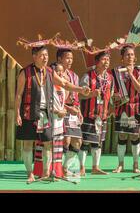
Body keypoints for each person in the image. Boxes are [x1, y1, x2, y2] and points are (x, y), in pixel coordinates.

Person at [15, 36, 90, 183]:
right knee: (28, 143)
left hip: (45, 113)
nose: (45, 58)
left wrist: (81, 89)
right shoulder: (25, 72)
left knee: (48, 143)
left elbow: (64, 83)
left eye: (47, 55)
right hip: (29, 112)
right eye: (42, 55)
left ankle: (45, 172)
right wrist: (17, 113)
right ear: (34, 56)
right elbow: (18, 94)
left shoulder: (50, 71)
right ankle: (30, 174)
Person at [79, 46, 116, 176]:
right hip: (89, 113)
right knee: (85, 141)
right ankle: (82, 167)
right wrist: (92, 94)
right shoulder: (87, 76)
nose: (106, 62)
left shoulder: (110, 78)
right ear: (97, 62)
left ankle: (95, 167)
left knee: (98, 142)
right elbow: (80, 94)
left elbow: (110, 95)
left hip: (102, 115)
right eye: (103, 59)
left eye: (108, 60)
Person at [50, 37, 84, 177]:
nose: (70, 60)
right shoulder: (56, 75)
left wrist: (79, 111)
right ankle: (57, 169)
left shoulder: (74, 76)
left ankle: (64, 167)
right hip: (62, 110)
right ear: (59, 59)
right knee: (65, 140)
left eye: (71, 58)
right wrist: (68, 109)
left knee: (77, 142)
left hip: (74, 111)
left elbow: (77, 96)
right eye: (67, 58)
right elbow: (56, 96)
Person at [112, 41, 140, 174]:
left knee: (134, 136)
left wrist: (131, 74)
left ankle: (135, 165)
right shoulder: (115, 73)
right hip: (121, 109)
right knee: (122, 136)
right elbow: (111, 91)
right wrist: (114, 97)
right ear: (122, 58)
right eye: (127, 55)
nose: (130, 57)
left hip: (134, 108)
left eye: (132, 55)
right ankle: (120, 165)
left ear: (135, 57)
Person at [33, 63, 67, 178]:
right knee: (44, 146)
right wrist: (58, 112)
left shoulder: (62, 87)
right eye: (57, 71)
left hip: (59, 122)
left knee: (57, 148)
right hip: (48, 119)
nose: (60, 73)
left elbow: (62, 104)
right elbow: (45, 104)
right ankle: (42, 171)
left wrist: (66, 109)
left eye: (62, 71)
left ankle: (56, 172)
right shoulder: (48, 86)